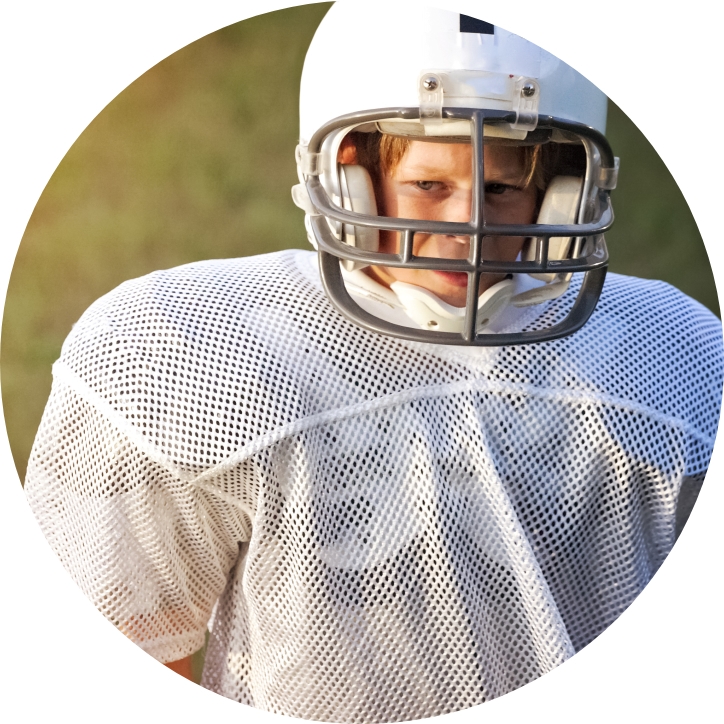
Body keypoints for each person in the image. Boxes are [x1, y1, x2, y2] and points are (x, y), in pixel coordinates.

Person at [23, 4, 722, 722]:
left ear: (564, 191)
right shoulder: (196, 348)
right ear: (346, 176)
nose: (467, 225)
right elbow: (118, 647)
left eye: (503, 188)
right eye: (429, 185)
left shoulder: (672, 350)